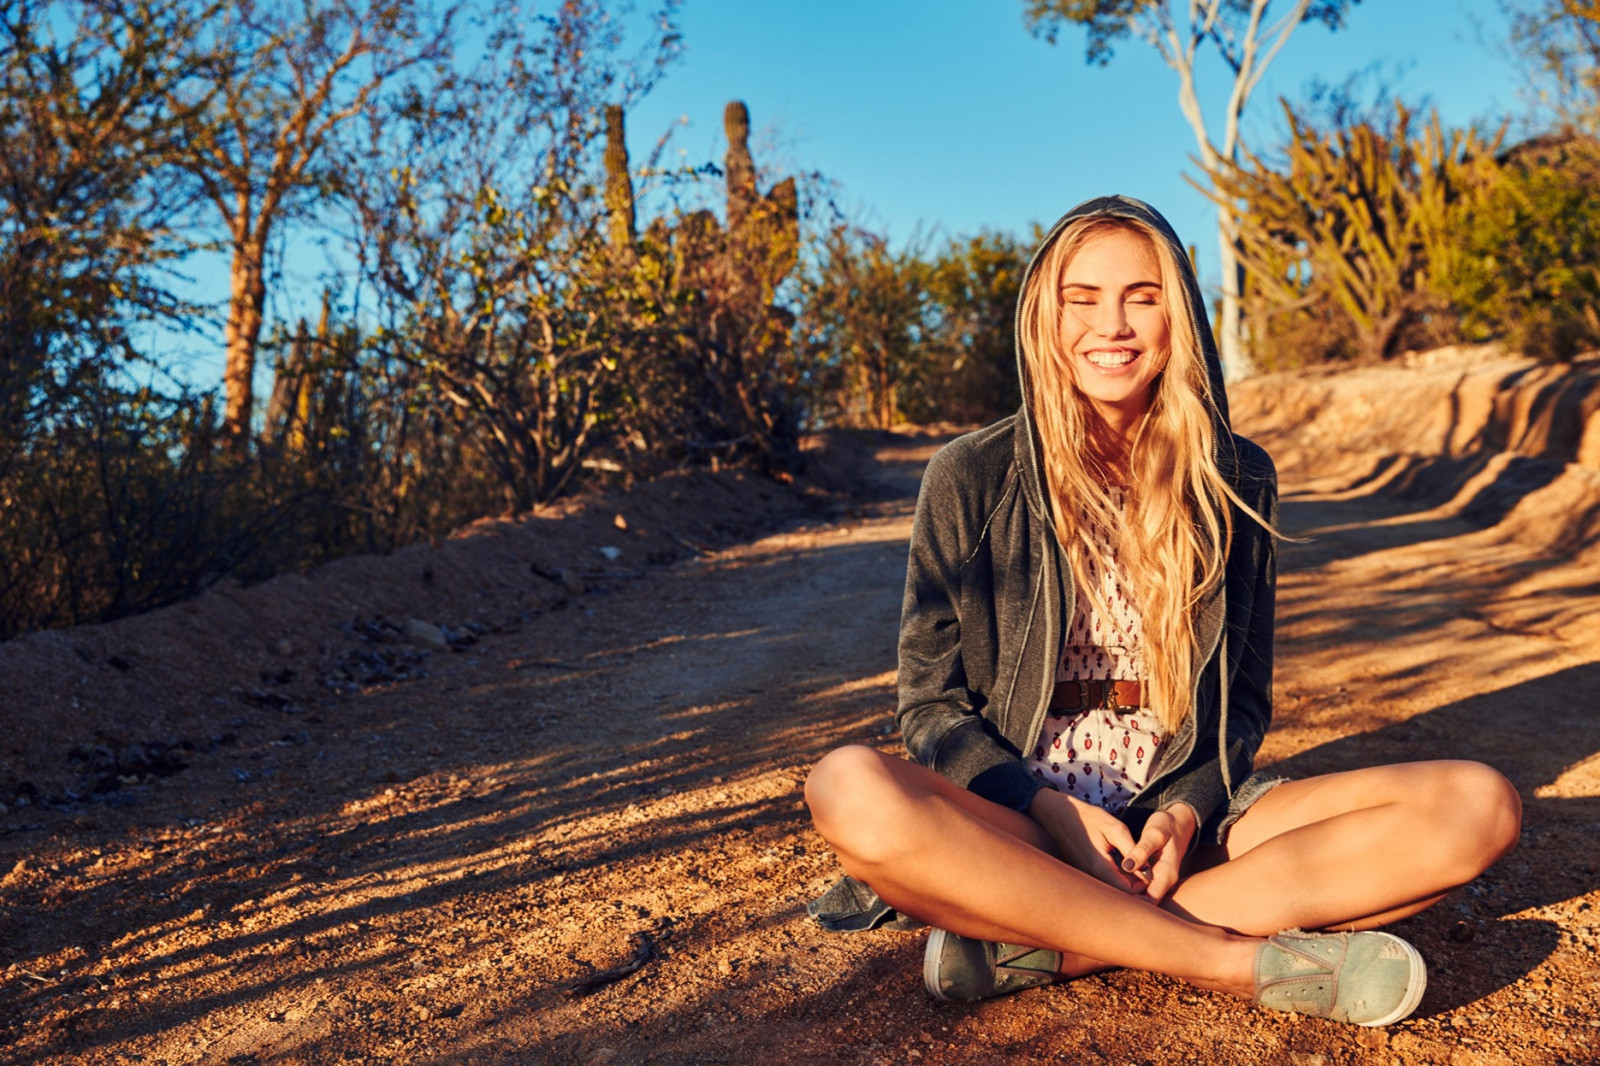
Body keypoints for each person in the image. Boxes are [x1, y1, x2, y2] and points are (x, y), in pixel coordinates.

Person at [803, 195, 1522, 1027]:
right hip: (1018, 822)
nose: (1112, 325)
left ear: (1179, 314)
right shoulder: (970, 474)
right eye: (1083, 299)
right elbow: (930, 705)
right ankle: (1227, 959)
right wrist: (1052, 812)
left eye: (1142, 296)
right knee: (847, 786)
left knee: (1478, 806)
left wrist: (1181, 813)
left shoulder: (1236, 478)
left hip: (1187, 821)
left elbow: (1243, 703)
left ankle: (1048, 945)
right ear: (1045, 316)